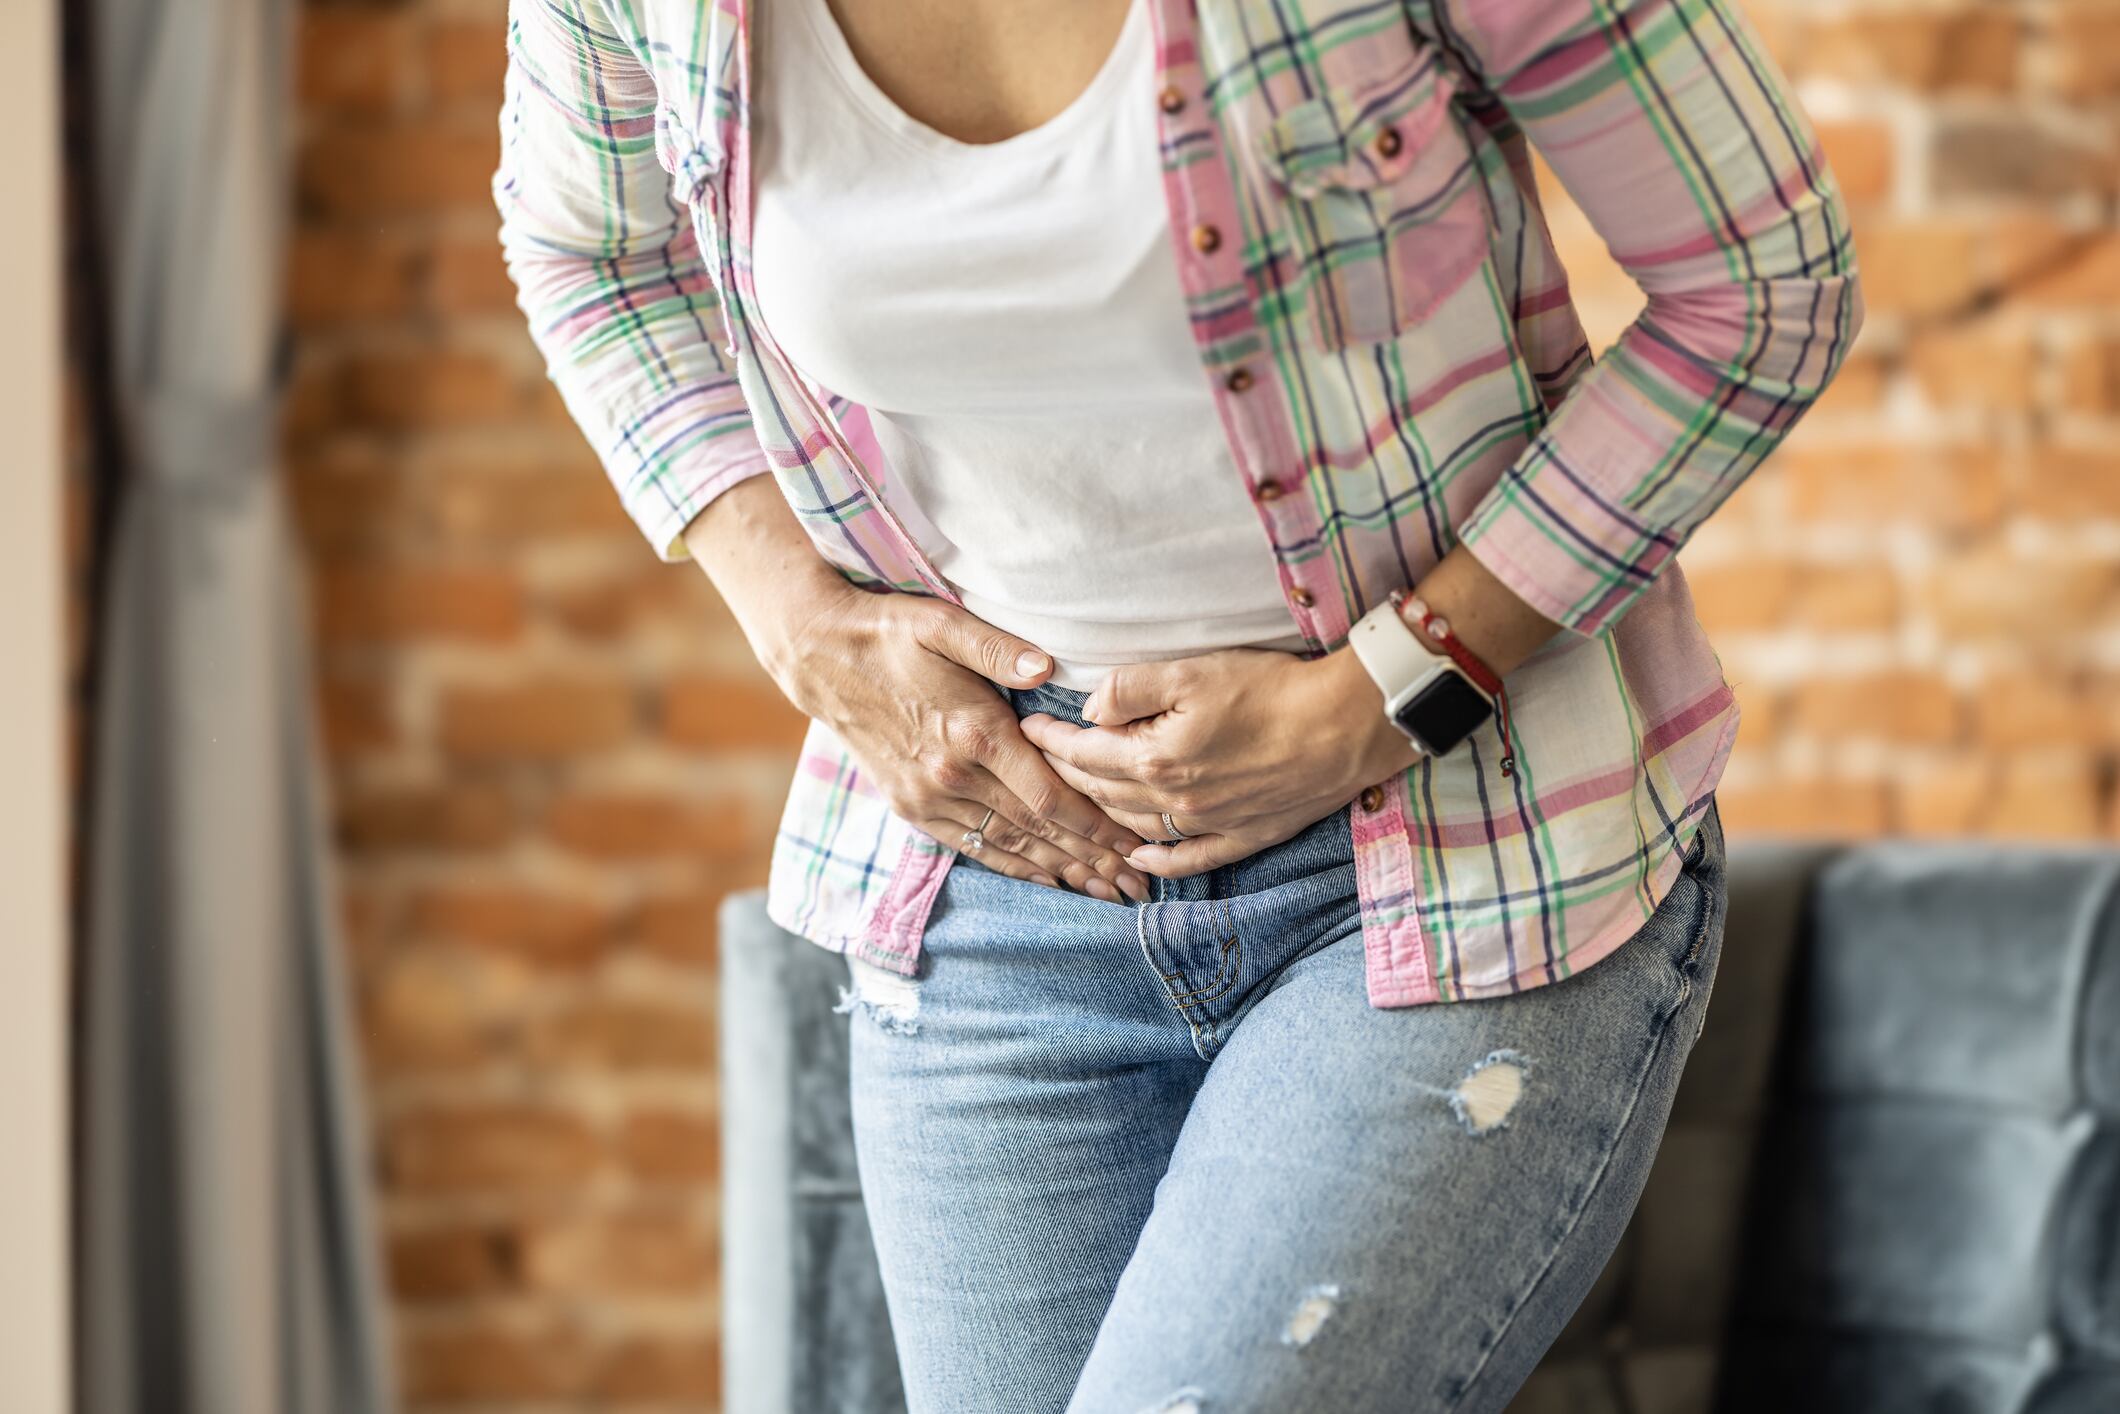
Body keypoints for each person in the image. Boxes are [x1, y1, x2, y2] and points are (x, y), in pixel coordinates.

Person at [495, 0, 1862, 1407]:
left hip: (1460, 860)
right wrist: (794, 616)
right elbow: (586, 251)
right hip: (993, 897)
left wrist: (1384, 695)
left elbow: (1765, 285)